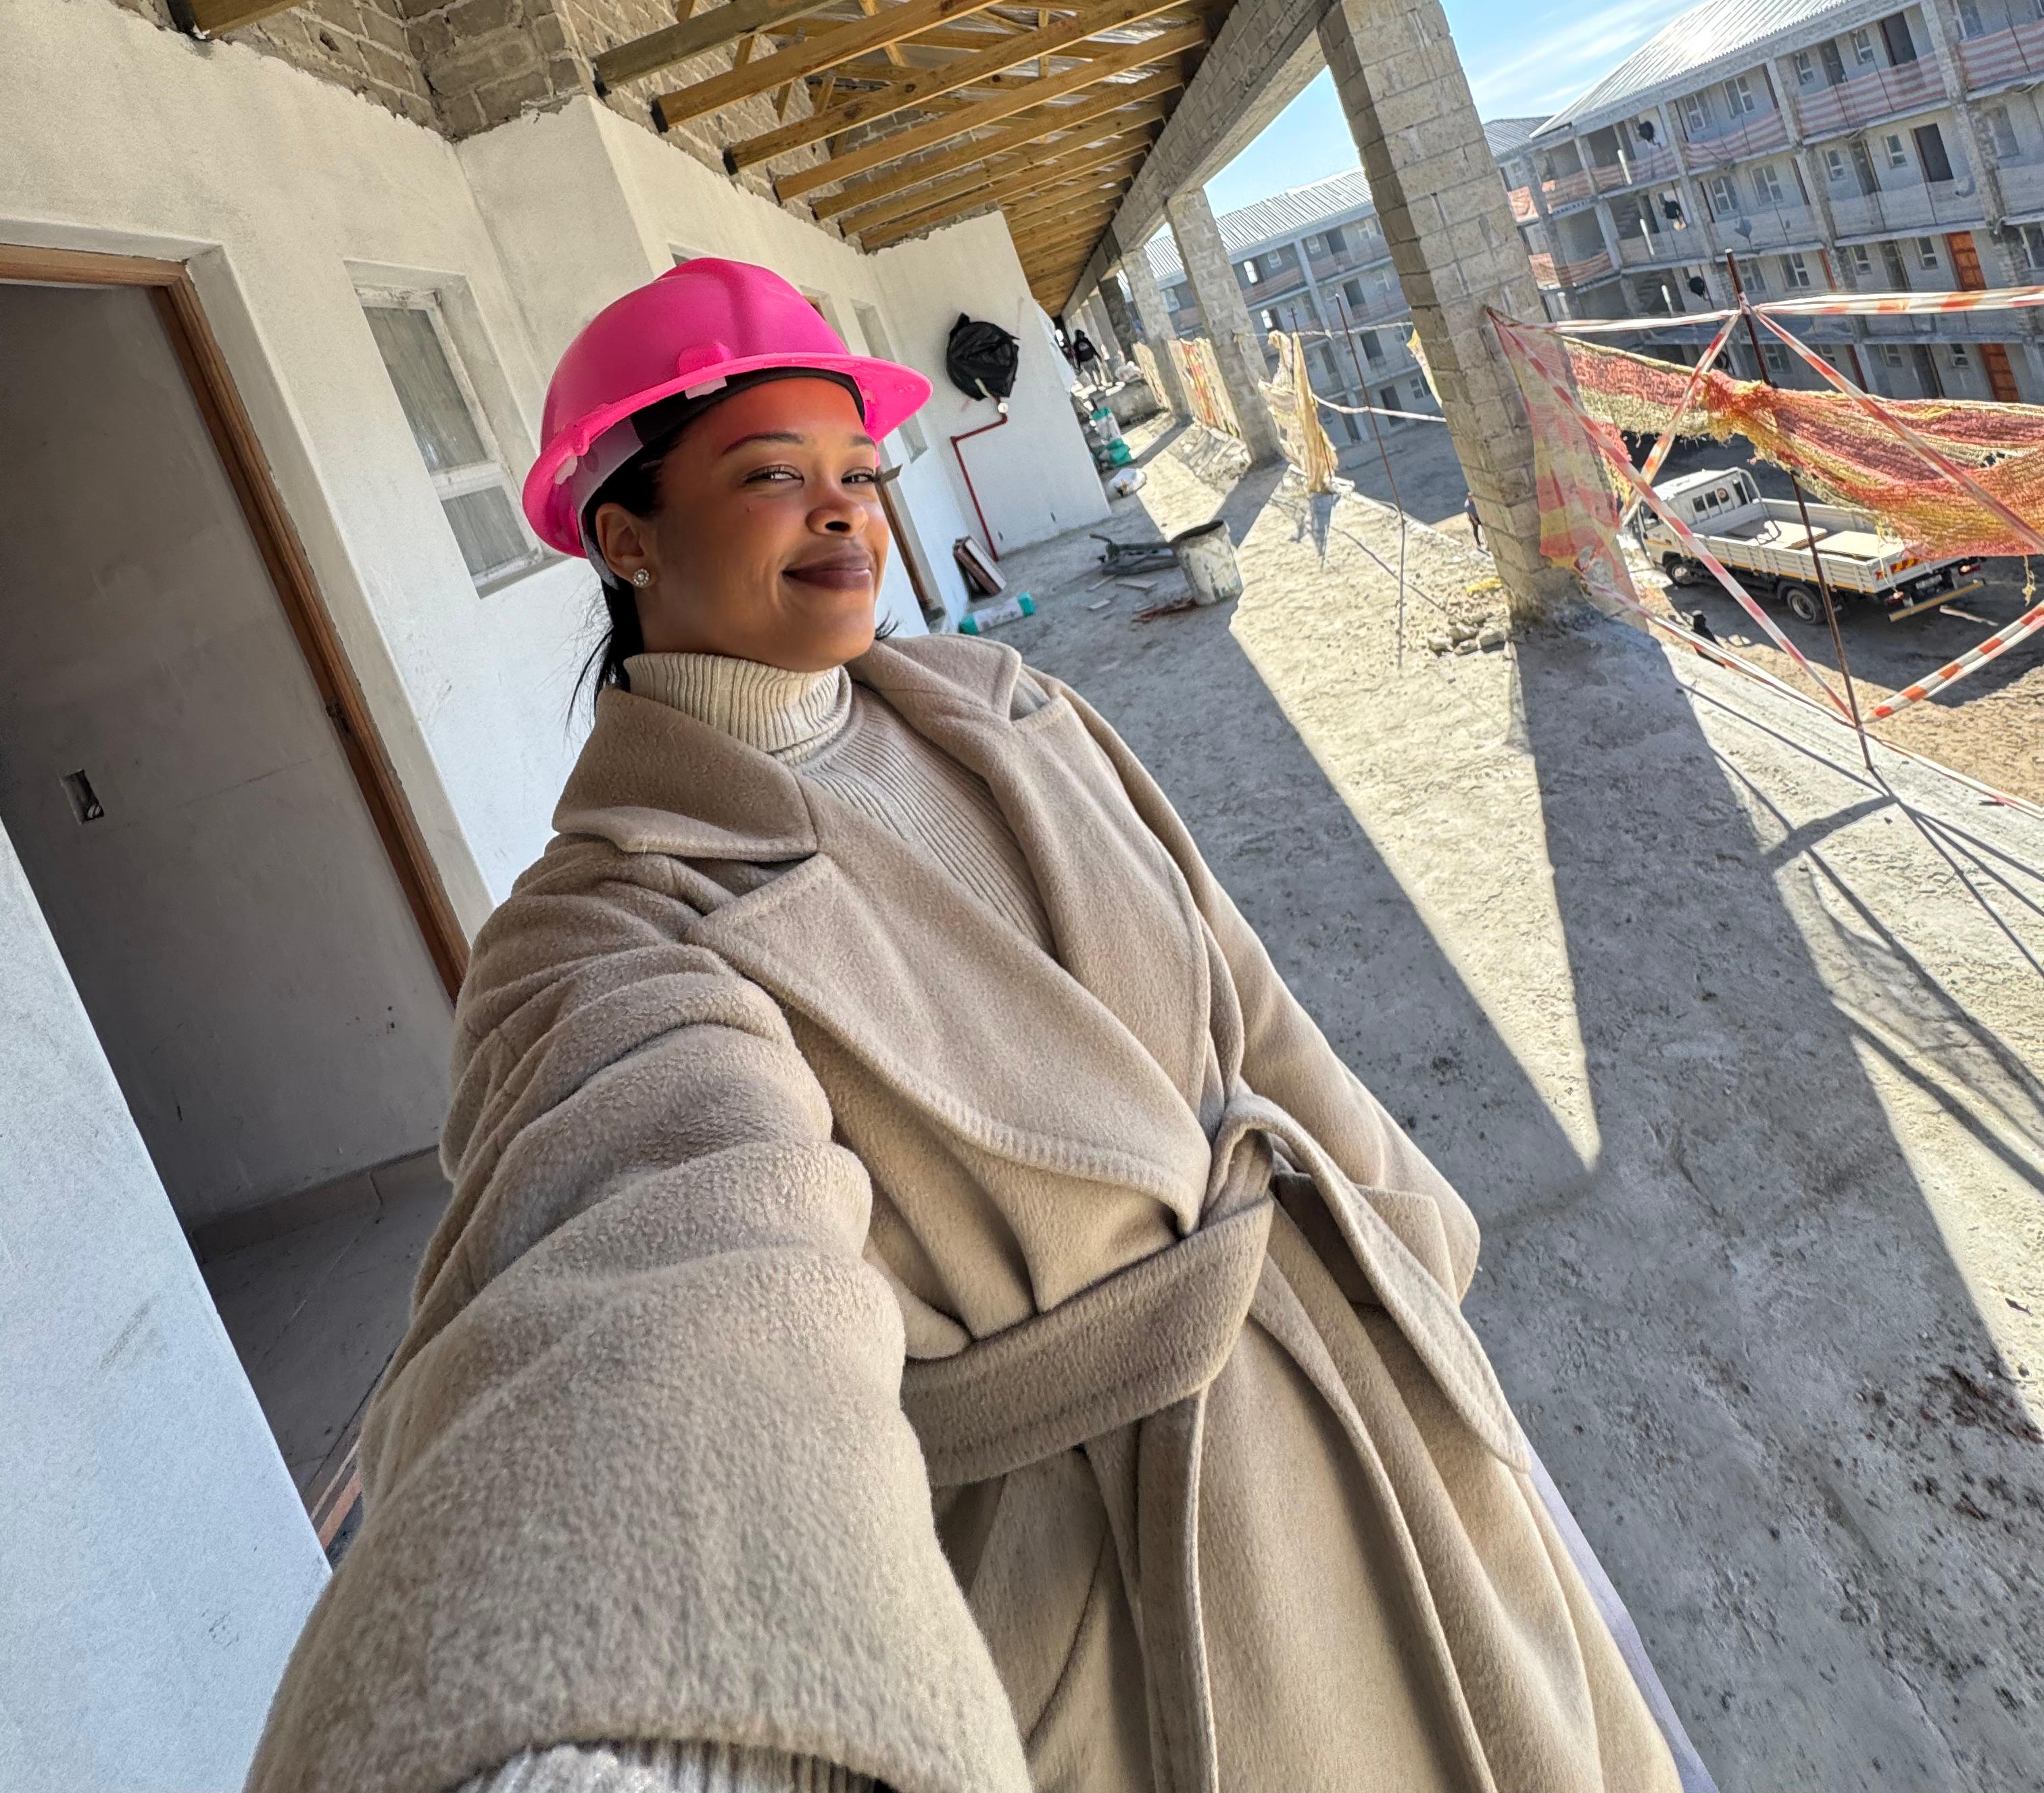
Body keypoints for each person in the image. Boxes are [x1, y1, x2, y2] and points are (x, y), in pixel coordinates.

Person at [247, 260, 1688, 1793]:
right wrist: (600, 1738)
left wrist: (1410, 1248)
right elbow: (646, 1270)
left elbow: (1246, 996)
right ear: (626, 536)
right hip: (1131, 1607)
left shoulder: (1012, 705)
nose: (845, 513)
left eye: (861, 472)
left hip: (1376, 1399)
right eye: (774, 477)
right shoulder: (608, 931)